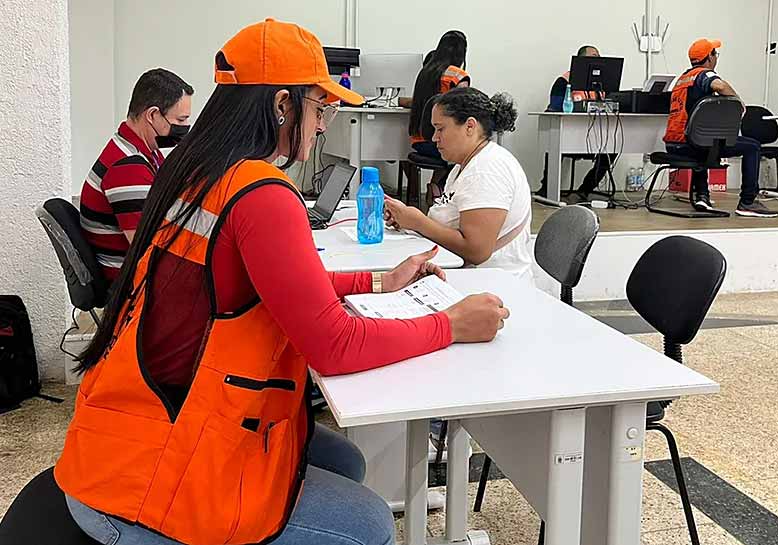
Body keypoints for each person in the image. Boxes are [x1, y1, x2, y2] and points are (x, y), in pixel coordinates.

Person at [55, 19, 508, 545]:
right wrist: (450, 324)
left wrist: (381, 280)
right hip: (142, 480)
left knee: (342, 459)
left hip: (122, 429)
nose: (322, 127)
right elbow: (335, 344)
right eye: (320, 109)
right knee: (371, 524)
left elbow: (273, 283)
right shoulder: (262, 193)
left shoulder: (194, 168)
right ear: (281, 106)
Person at [385, 87, 534, 284]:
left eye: (440, 129)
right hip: (469, 277)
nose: (434, 138)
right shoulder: (463, 167)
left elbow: (476, 251)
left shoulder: (487, 170)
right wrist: (407, 220)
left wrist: (418, 222)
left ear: (470, 126)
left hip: (492, 285)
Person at [79, 68, 194, 281]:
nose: (185, 128)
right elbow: (150, 247)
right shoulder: (127, 167)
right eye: (180, 120)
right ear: (152, 115)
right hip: (129, 280)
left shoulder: (139, 150)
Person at [664, 38, 778, 218]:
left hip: (674, 144)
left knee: (705, 141)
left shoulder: (682, 79)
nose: (716, 57)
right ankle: (748, 202)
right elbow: (720, 85)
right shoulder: (704, 75)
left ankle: (701, 195)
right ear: (709, 57)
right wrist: (738, 101)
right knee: (752, 146)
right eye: (715, 53)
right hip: (691, 145)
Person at [537, 45, 617, 201]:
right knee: (554, 143)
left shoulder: (601, 86)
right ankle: (546, 188)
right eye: (594, 56)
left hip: (594, 137)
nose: (598, 60)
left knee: (612, 148)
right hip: (568, 137)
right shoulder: (564, 81)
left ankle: (584, 190)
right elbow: (555, 108)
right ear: (581, 60)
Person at [408, 30, 470, 159]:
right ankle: (439, 180)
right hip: (440, 142)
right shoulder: (457, 75)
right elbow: (464, 107)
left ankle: (435, 180)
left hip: (418, 141)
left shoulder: (425, 73)